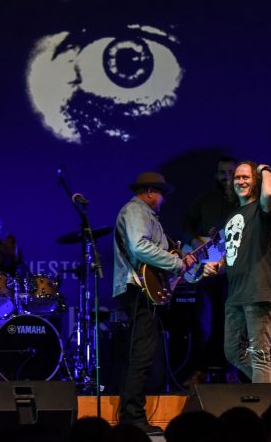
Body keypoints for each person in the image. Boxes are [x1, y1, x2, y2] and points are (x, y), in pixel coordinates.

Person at [113, 172, 197, 435]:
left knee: (144, 352)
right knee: (142, 354)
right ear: (150, 191)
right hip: (136, 289)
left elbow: (155, 257)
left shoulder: (146, 216)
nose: (163, 200)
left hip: (143, 289)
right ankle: (132, 417)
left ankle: (132, 415)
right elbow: (139, 247)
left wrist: (179, 267)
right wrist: (176, 263)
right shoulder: (137, 211)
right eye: (161, 194)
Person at [202, 161, 271, 383]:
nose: (240, 181)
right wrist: (218, 265)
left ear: (255, 182)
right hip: (236, 294)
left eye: (246, 177)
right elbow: (234, 250)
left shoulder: (263, 208)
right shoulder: (233, 215)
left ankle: (267, 406)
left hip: (259, 290)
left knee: (259, 355)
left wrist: (264, 170)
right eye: (237, 178)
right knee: (233, 353)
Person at [181, 156, 237, 383]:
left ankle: (230, 371)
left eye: (230, 173)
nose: (226, 177)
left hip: (231, 272)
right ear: (216, 175)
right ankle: (200, 370)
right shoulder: (206, 199)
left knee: (230, 322)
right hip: (205, 270)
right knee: (202, 323)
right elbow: (186, 222)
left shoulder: (244, 203)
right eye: (222, 173)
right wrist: (194, 241)